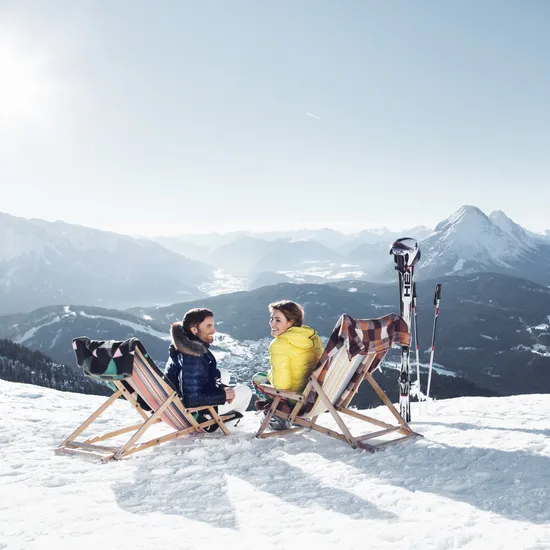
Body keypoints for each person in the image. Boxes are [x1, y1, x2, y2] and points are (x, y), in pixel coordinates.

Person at [165, 307, 251, 427]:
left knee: (223, 373)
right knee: (245, 391)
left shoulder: (183, 344)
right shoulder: (193, 356)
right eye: (208, 326)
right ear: (194, 330)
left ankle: (221, 419)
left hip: (178, 401)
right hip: (195, 413)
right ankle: (223, 426)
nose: (214, 330)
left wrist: (222, 387)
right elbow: (192, 399)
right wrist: (223, 396)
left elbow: (206, 377)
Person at [253, 300, 323, 428]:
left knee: (258, 378)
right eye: (271, 319)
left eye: (278, 320)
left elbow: (281, 385)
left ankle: (279, 415)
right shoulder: (312, 336)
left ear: (291, 322)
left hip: (296, 399)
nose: (272, 323)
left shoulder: (279, 344)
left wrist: (269, 375)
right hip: (314, 397)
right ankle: (280, 412)